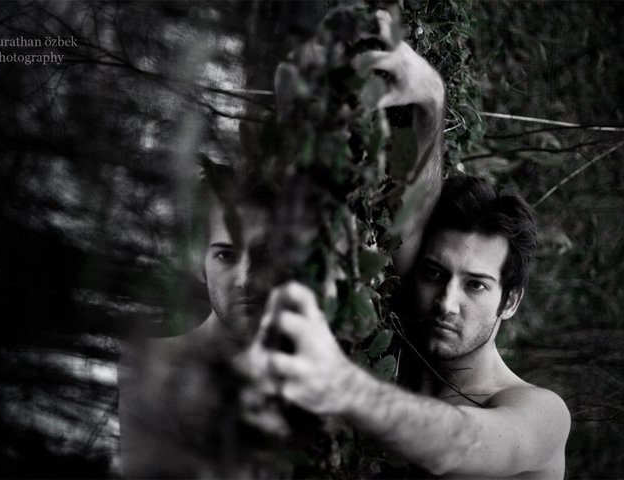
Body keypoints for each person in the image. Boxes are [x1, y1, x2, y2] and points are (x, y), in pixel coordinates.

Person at [118, 10, 446, 477]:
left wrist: (431, 101)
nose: (246, 278)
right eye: (226, 255)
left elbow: (408, 231)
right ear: (198, 261)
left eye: (266, 255)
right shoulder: (154, 366)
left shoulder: (323, 355)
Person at [247, 175, 571, 479]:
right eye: (434, 274)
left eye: (476, 285)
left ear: (510, 302)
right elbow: (414, 192)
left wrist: (343, 384)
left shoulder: (543, 413)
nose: (446, 303)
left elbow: (459, 442)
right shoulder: (394, 356)